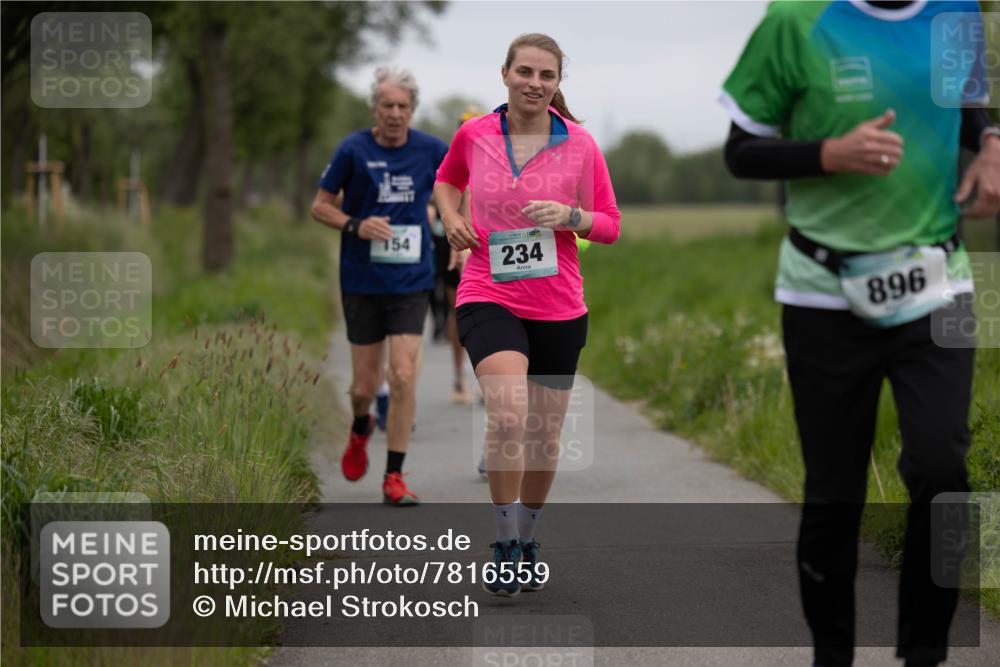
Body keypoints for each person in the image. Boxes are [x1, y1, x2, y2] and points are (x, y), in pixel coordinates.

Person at [719, 2, 1000, 665]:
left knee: (943, 471)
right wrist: (827, 153)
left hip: (940, 279)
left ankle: (925, 652)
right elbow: (740, 152)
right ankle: (833, 654)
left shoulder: (956, 11)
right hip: (823, 290)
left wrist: (991, 146)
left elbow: (969, 110)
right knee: (834, 490)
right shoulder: (795, 19)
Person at [434, 33, 621, 596]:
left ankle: (530, 535)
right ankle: (504, 541)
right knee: (510, 414)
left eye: (547, 75)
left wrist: (572, 214)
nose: (535, 83)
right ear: (505, 74)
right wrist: (450, 218)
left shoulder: (581, 146)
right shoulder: (475, 134)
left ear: (558, 83)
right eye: (526, 72)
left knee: (543, 435)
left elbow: (610, 225)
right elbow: (447, 181)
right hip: (488, 291)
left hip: (560, 305)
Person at [311, 67, 448, 506]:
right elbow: (320, 207)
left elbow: (459, 186)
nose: (394, 113)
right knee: (364, 387)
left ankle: (394, 476)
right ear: (374, 108)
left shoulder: (431, 149)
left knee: (403, 376)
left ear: (412, 110)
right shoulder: (353, 148)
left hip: (412, 278)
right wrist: (355, 224)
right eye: (386, 105)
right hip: (362, 279)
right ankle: (359, 427)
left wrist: (449, 217)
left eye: (402, 106)